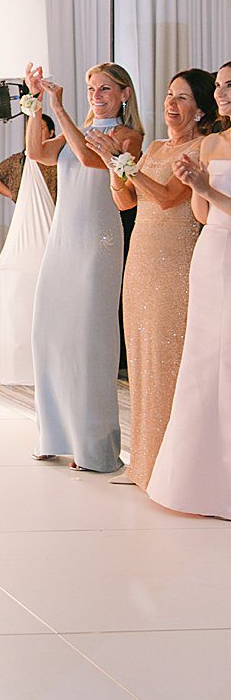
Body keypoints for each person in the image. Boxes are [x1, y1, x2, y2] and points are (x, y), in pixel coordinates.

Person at [25, 59, 143, 473]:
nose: (96, 96)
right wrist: (36, 103)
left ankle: (92, 446)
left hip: (98, 243)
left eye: (105, 88)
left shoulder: (127, 136)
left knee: (88, 342)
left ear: (124, 94)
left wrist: (60, 109)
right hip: (62, 242)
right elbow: (37, 152)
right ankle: (53, 435)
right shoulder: (80, 130)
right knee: (48, 333)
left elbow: (91, 161)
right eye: (92, 89)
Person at [113, 68, 216, 490]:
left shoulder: (200, 148)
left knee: (167, 361)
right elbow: (127, 201)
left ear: (201, 109)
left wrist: (125, 164)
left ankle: (170, 469)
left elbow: (170, 197)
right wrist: (114, 167)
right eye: (170, 95)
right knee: (140, 361)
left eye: (182, 98)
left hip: (174, 264)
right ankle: (143, 462)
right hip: (139, 260)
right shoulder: (155, 147)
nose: (171, 104)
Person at [149, 59, 231, 518]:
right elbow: (202, 215)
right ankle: (197, 483)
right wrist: (194, 184)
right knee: (202, 362)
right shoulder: (213, 142)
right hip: (211, 254)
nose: (221, 93)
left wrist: (206, 187)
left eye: (229, 86)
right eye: (218, 86)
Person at [0, 114, 58, 385]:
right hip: (27, 224)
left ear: (51, 131)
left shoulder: (58, 159)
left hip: (55, 221)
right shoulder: (20, 160)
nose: (35, 132)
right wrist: (13, 195)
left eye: (41, 128)